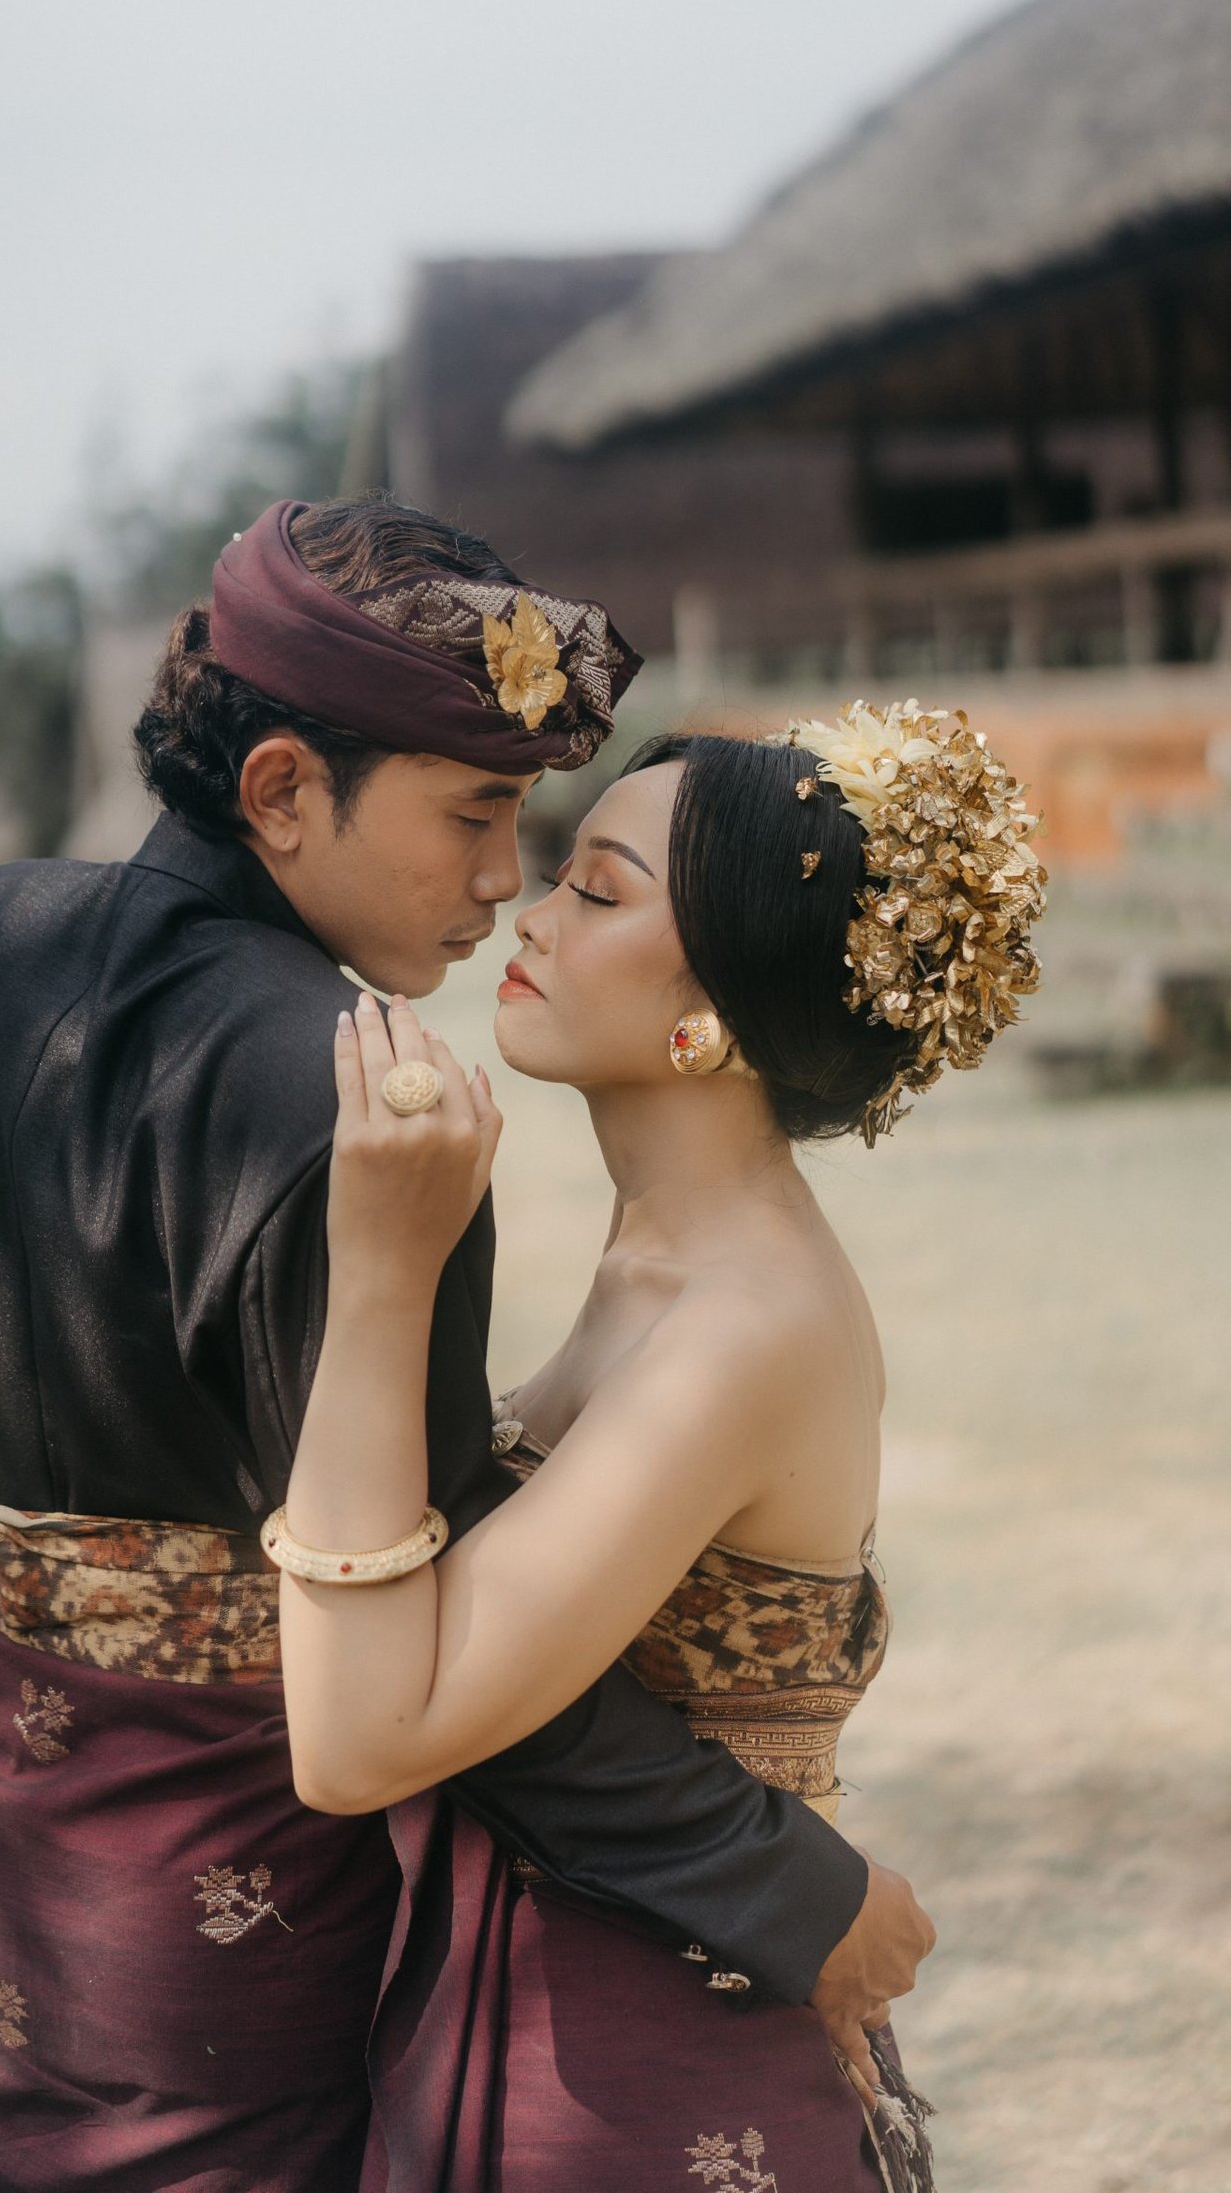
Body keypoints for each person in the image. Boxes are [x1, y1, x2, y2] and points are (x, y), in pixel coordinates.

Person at [0, 499, 932, 2193]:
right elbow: (443, 1649)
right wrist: (788, 1889)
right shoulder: (357, 1102)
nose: (502, 877)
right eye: (475, 811)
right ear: (280, 788)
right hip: (250, 1883)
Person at [272, 704, 1046, 2190]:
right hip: (563, 2014)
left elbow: (360, 1738)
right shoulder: (664, 1264)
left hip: (659, 2072)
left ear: (724, 1008)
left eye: (597, 891)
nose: (530, 911)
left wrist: (377, 1274)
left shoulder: (747, 1322)